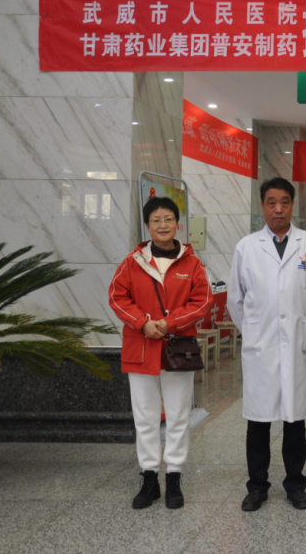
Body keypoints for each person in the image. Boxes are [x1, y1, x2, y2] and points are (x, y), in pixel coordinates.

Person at [228, 178, 306, 512]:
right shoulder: (247, 247)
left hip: (299, 346)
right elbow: (235, 300)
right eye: (271, 202)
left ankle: (295, 485)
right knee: (258, 422)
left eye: (284, 202)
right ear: (262, 206)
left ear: (292, 205)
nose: (278, 209)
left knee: (294, 420)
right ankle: (257, 486)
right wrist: (254, 333)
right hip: (260, 349)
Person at [109, 196, 212, 510]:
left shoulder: (192, 263)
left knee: (179, 416)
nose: (163, 225)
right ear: (147, 225)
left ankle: (175, 476)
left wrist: (169, 323)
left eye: (168, 219)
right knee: (145, 418)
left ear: (177, 224)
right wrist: (142, 323)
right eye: (156, 220)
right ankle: (149, 477)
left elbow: (202, 301)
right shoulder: (132, 262)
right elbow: (117, 297)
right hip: (140, 350)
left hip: (177, 350)